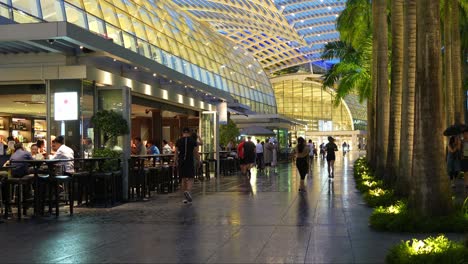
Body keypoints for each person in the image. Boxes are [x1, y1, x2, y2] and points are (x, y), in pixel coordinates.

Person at [175, 127, 198, 204]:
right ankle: (188, 191)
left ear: (182, 133)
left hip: (181, 161)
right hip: (189, 161)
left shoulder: (178, 141)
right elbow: (195, 152)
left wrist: (175, 161)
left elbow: (176, 153)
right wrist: (199, 160)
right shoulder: (192, 141)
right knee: (191, 177)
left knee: (183, 178)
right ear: (189, 133)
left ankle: (185, 196)